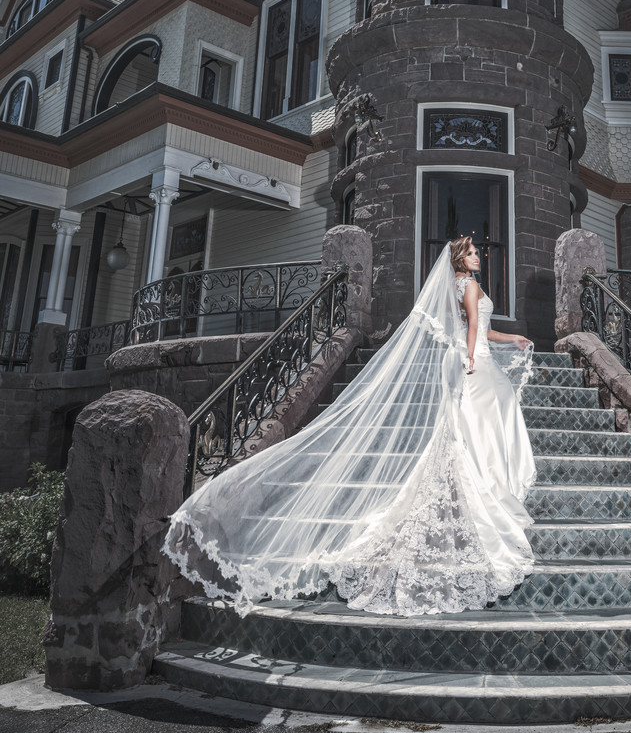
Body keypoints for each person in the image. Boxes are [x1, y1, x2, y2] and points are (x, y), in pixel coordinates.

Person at [161, 236, 536, 617]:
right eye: (473, 253)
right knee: (481, 425)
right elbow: (473, 328)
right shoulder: (469, 284)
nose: (478, 258)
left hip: (469, 358)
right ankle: (486, 483)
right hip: (475, 364)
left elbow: (482, 327)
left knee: (473, 426)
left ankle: (479, 477)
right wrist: (472, 359)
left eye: (476, 253)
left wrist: (510, 338)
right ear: (460, 258)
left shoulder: (460, 285)